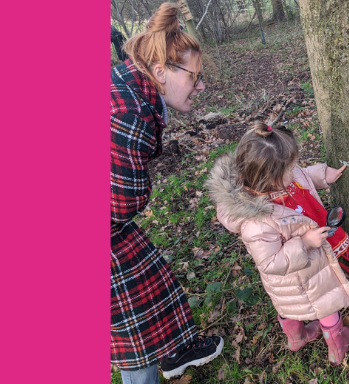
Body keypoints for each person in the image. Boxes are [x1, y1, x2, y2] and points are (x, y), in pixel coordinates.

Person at [110, 3, 219, 382]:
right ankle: (149, 365)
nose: (201, 86)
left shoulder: (129, 85)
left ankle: (173, 350)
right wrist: (139, 193)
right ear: (160, 72)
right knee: (130, 319)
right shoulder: (129, 115)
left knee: (151, 279)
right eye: (195, 77)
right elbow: (121, 203)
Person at [205, 122, 349, 366]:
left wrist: (323, 175)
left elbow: (303, 176)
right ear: (272, 178)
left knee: (290, 309)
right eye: (290, 168)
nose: (295, 170)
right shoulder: (256, 221)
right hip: (298, 273)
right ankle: (337, 345)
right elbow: (270, 262)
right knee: (325, 305)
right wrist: (304, 242)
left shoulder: (280, 179)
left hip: (297, 279)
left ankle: (297, 338)